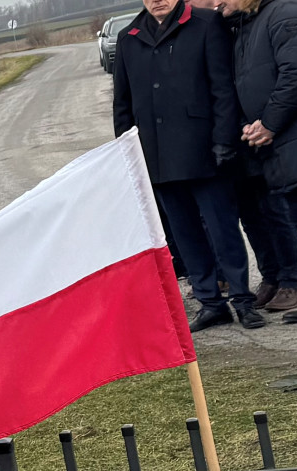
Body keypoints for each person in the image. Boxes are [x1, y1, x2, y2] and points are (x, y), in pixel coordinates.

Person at [114, 0, 261, 331]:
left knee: (223, 229)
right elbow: (122, 105)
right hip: (157, 157)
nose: (158, 1)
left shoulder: (206, 24)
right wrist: (128, 155)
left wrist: (224, 141)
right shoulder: (129, 37)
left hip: (205, 151)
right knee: (184, 234)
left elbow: (222, 89)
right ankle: (210, 302)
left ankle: (242, 299)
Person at [219, 0, 297, 319]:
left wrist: (269, 122)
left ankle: (293, 282)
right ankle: (277, 278)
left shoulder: (286, 13)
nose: (216, 3)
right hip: (274, 142)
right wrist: (249, 124)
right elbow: (244, 85)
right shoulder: (246, 24)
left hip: (290, 137)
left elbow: (296, 74)